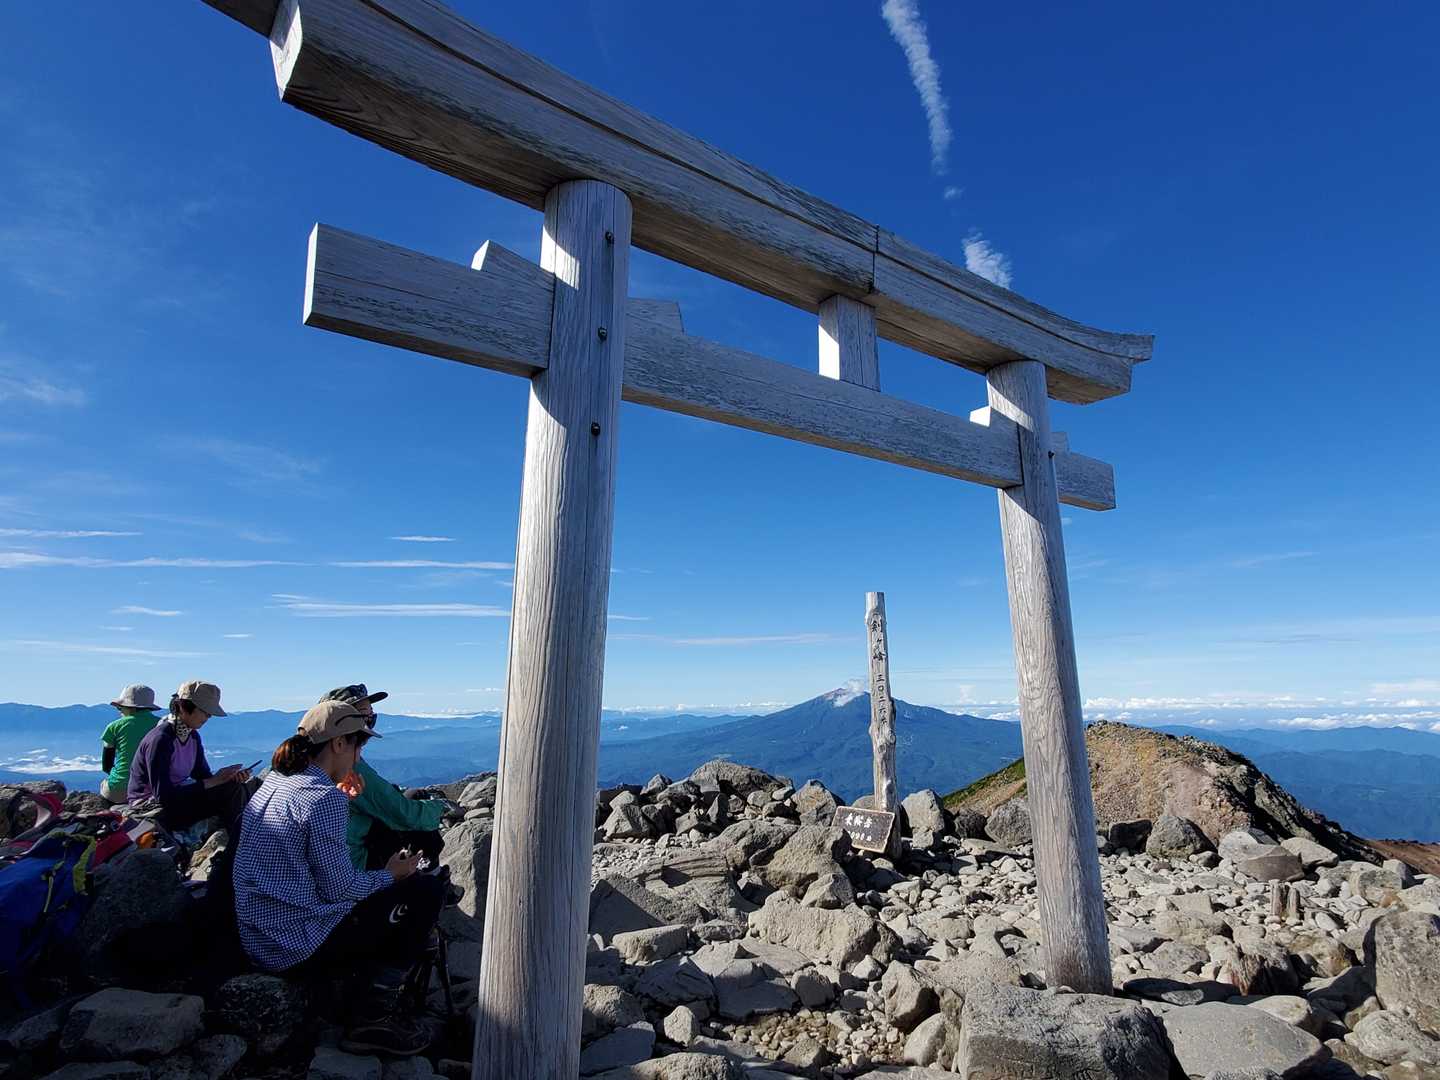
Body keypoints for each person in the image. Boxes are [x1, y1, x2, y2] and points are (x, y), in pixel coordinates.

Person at [232, 699, 443, 1056]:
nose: (359, 756)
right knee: (424, 891)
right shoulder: (323, 798)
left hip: (257, 936)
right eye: (358, 745)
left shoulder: (275, 783)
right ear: (339, 743)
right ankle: (373, 1016)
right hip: (297, 945)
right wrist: (391, 875)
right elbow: (339, 889)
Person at [319, 684, 450, 870]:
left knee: (410, 796)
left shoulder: (320, 757)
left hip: (336, 858)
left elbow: (379, 792)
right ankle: (427, 876)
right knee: (412, 814)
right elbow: (402, 813)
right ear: (341, 720)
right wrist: (441, 808)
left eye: (372, 714)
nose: (370, 719)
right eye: (363, 714)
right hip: (351, 865)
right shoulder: (347, 766)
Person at [126, 680, 252, 833]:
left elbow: (202, 776)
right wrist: (213, 781)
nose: (208, 716)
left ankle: (240, 837)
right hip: (150, 807)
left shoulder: (192, 736)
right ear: (183, 707)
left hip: (176, 799)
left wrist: (228, 778)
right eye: (205, 711)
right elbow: (163, 796)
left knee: (235, 788)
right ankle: (240, 840)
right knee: (231, 795)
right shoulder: (161, 739)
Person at [98, 684, 164, 805]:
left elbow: (106, 766)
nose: (119, 710)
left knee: (104, 784)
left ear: (130, 707)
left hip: (118, 791)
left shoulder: (114, 727)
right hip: (152, 790)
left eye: (120, 707)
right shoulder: (162, 725)